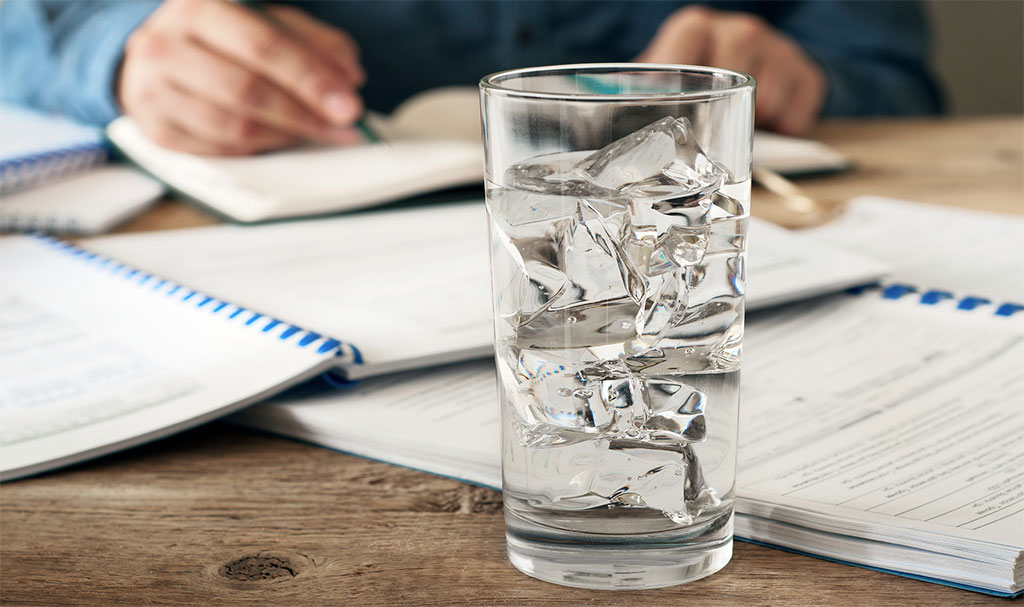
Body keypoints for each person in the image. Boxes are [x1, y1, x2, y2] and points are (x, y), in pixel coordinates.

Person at [1, 0, 942, 156]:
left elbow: (899, 80)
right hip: (285, 245)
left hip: (698, 256)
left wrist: (807, 79)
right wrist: (118, 45)